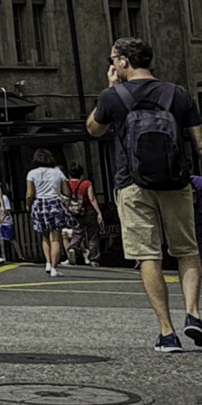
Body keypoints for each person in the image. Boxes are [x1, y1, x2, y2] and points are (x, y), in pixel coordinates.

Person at [85, 35, 202, 352]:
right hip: (176, 183)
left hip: (132, 184)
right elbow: (200, 144)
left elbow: (93, 129)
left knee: (148, 255)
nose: (112, 64)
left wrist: (110, 88)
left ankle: (167, 332)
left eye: (113, 59)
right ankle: (193, 313)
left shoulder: (113, 97)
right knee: (187, 249)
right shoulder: (178, 94)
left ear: (123, 61)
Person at [22, 147, 71, 277]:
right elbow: (67, 192)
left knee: (44, 236)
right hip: (55, 203)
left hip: (39, 204)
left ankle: (48, 263)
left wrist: (28, 205)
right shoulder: (58, 172)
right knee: (56, 237)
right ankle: (54, 267)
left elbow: (29, 194)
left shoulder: (32, 173)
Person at [62, 162, 101, 267]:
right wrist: (99, 212)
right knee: (93, 236)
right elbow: (92, 198)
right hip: (89, 211)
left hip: (75, 212)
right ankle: (94, 259)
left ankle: (72, 249)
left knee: (77, 233)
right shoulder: (86, 183)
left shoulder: (66, 184)